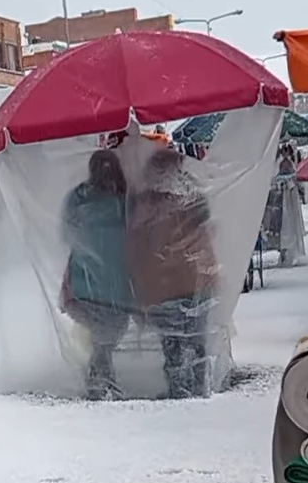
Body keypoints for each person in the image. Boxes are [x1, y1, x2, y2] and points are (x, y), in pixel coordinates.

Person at [126, 149, 218, 399]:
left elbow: (136, 245)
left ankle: (179, 389)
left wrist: (138, 283)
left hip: (162, 283)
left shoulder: (145, 204)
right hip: (197, 279)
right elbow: (206, 232)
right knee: (197, 339)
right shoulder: (195, 197)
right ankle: (199, 385)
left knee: (171, 343)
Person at [59, 150, 134, 398]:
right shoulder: (124, 199)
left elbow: (65, 233)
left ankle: (99, 377)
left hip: (84, 283)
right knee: (107, 335)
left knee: (98, 335)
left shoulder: (78, 198)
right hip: (117, 284)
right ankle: (101, 376)